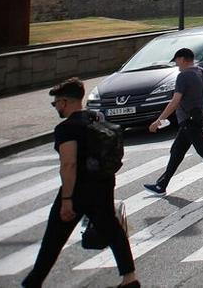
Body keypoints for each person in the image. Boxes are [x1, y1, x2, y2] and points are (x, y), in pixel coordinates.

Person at [24, 78, 139, 288]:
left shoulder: (66, 129)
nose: (56, 107)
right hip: (103, 184)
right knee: (113, 231)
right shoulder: (96, 118)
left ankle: (34, 282)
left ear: (65, 102)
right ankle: (129, 278)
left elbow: (69, 164)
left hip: (78, 190)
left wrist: (67, 199)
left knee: (54, 238)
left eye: (56, 103)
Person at [143, 48, 203, 194]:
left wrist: (159, 121)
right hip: (198, 117)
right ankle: (162, 184)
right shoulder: (201, 71)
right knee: (177, 151)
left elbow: (175, 101)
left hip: (188, 120)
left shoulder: (183, 76)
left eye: (177, 60)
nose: (176, 64)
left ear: (183, 59)